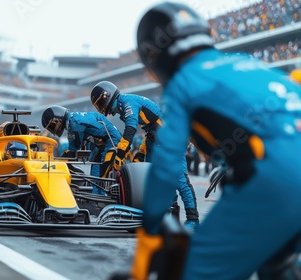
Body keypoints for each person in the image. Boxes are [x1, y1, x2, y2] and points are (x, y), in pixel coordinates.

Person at [132, 2, 301, 279]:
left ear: (153, 55)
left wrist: (149, 228)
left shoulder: (183, 82)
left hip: (277, 182)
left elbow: (167, 165)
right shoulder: (245, 62)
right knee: (277, 265)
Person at [90, 81, 199, 229]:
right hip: (155, 138)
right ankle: (169, 216)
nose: (102, 108)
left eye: (100, 103)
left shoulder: (127, 102)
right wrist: (141, 152)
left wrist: (120, 153)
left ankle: (193, 220)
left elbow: (130, 130)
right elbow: (150, 128)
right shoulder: (124, 105)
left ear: (106, 97)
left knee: (180, 180)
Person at [41, 105, 121, 184]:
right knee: (95, 173)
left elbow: (74, 150)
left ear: (57, 121)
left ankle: (102, 194)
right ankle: (98, 193)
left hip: (112, 142)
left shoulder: (74, 123)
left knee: (100, 175)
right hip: (106, 143)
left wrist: (57, 162)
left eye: (52, 126)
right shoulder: (74, 119)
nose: (53, 129)